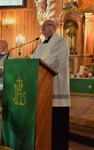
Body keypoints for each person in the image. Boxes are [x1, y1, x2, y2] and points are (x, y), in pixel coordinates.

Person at [30, 19, 70, 150]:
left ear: (55, 28)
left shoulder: (61, 41)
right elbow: (33, 60)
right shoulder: (41, 44)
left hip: (56, 87)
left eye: (46, 25)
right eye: (42, 25)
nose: (43, 27)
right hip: (42, 87)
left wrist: (37, 67)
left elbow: (56, 60)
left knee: (57, 125)